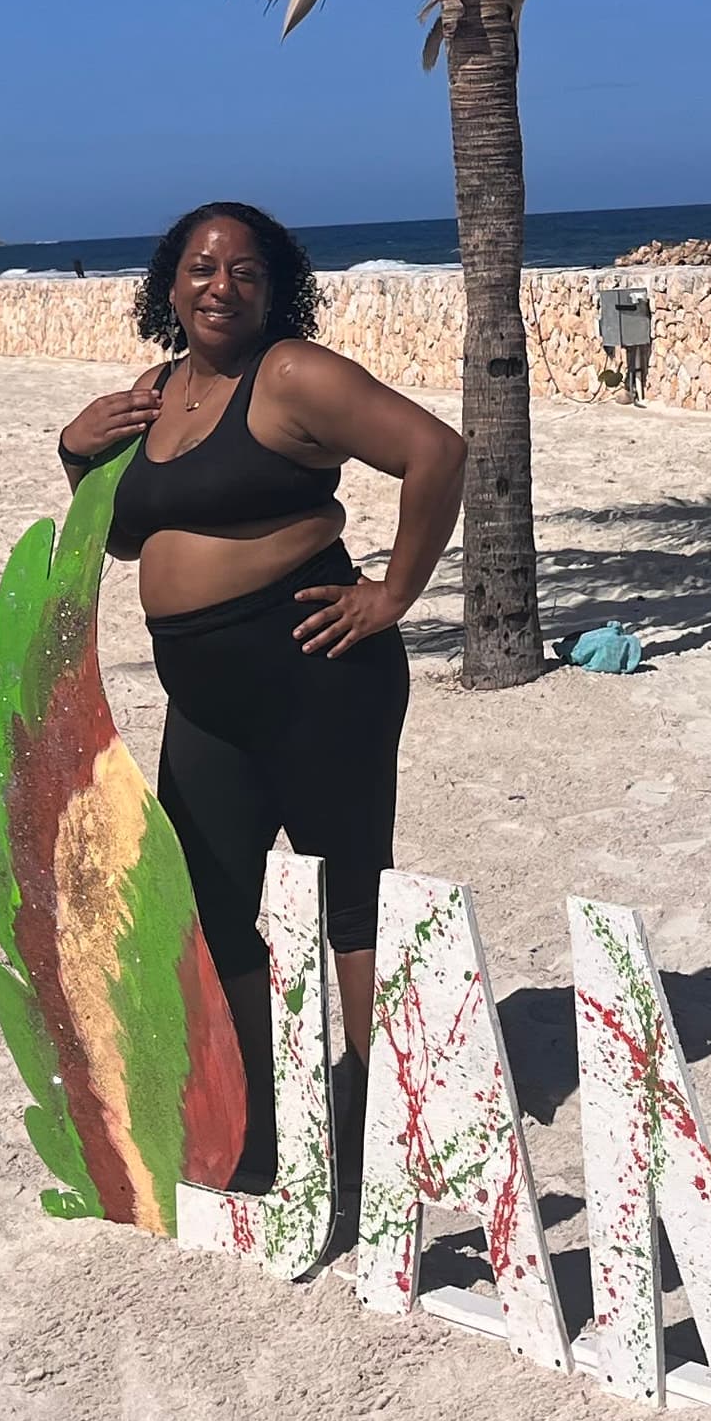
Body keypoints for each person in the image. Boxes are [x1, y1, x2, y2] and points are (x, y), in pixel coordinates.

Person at [57, 202, 465, 1192]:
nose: (221, 286)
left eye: (245, 271)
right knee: (212, 906)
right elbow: (123, 538)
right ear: (169, 286)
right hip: (206, 705)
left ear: (275, 287)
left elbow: (435, 452)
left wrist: (392, 593)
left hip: (318, 676)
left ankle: (376, 1107)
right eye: (201, 268)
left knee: (352, 898)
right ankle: (257, 1110)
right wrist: (78, 454)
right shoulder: (156, 394)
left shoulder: (293, 376)